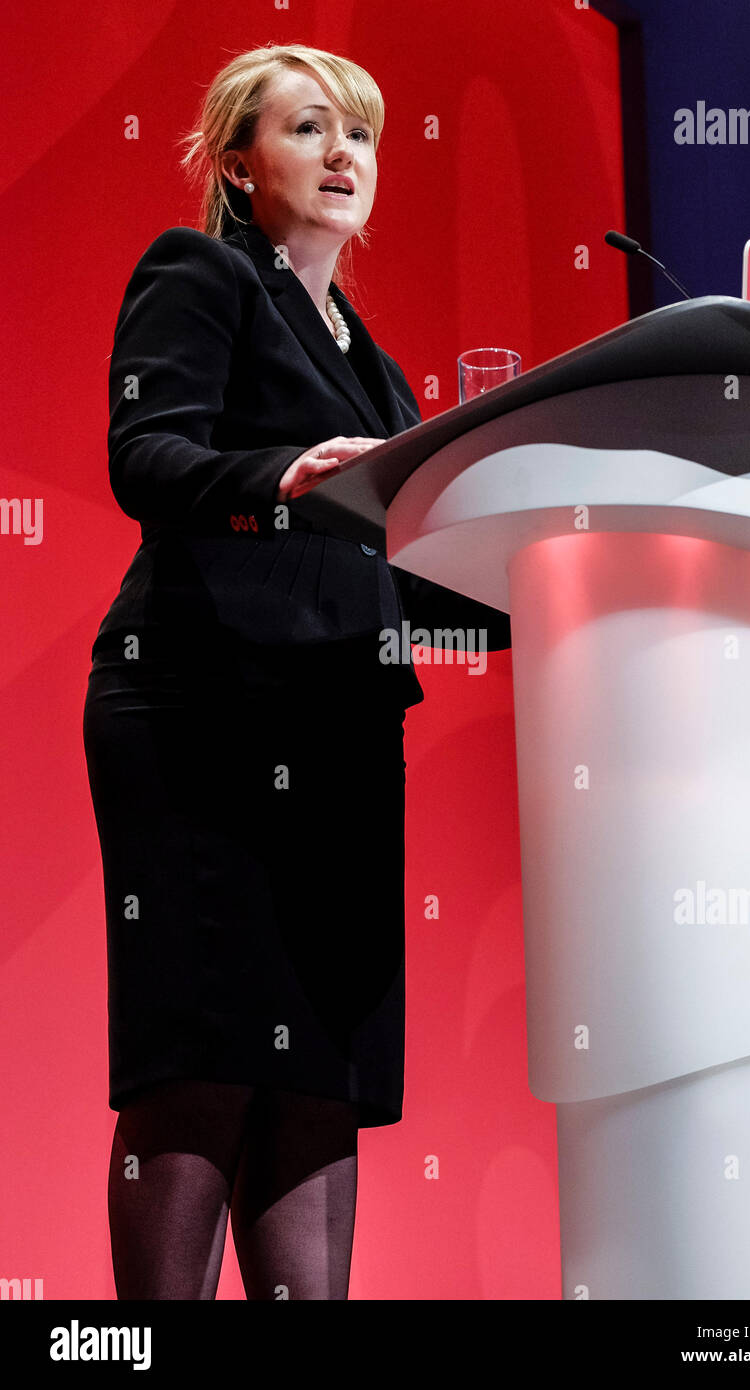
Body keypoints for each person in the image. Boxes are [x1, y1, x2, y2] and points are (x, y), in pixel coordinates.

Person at [81, 42, 510, 1300]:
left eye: (361, 135)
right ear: (234, 165)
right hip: (200, 710)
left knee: (320, 1073)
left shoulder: (378, 371)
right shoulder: (200, 275)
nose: (343, 156)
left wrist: (546, 583)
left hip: (332, 737)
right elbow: (145, 456)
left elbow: (402, 586)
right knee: (204, 1054)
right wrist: (278, 476)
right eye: (310, 129)